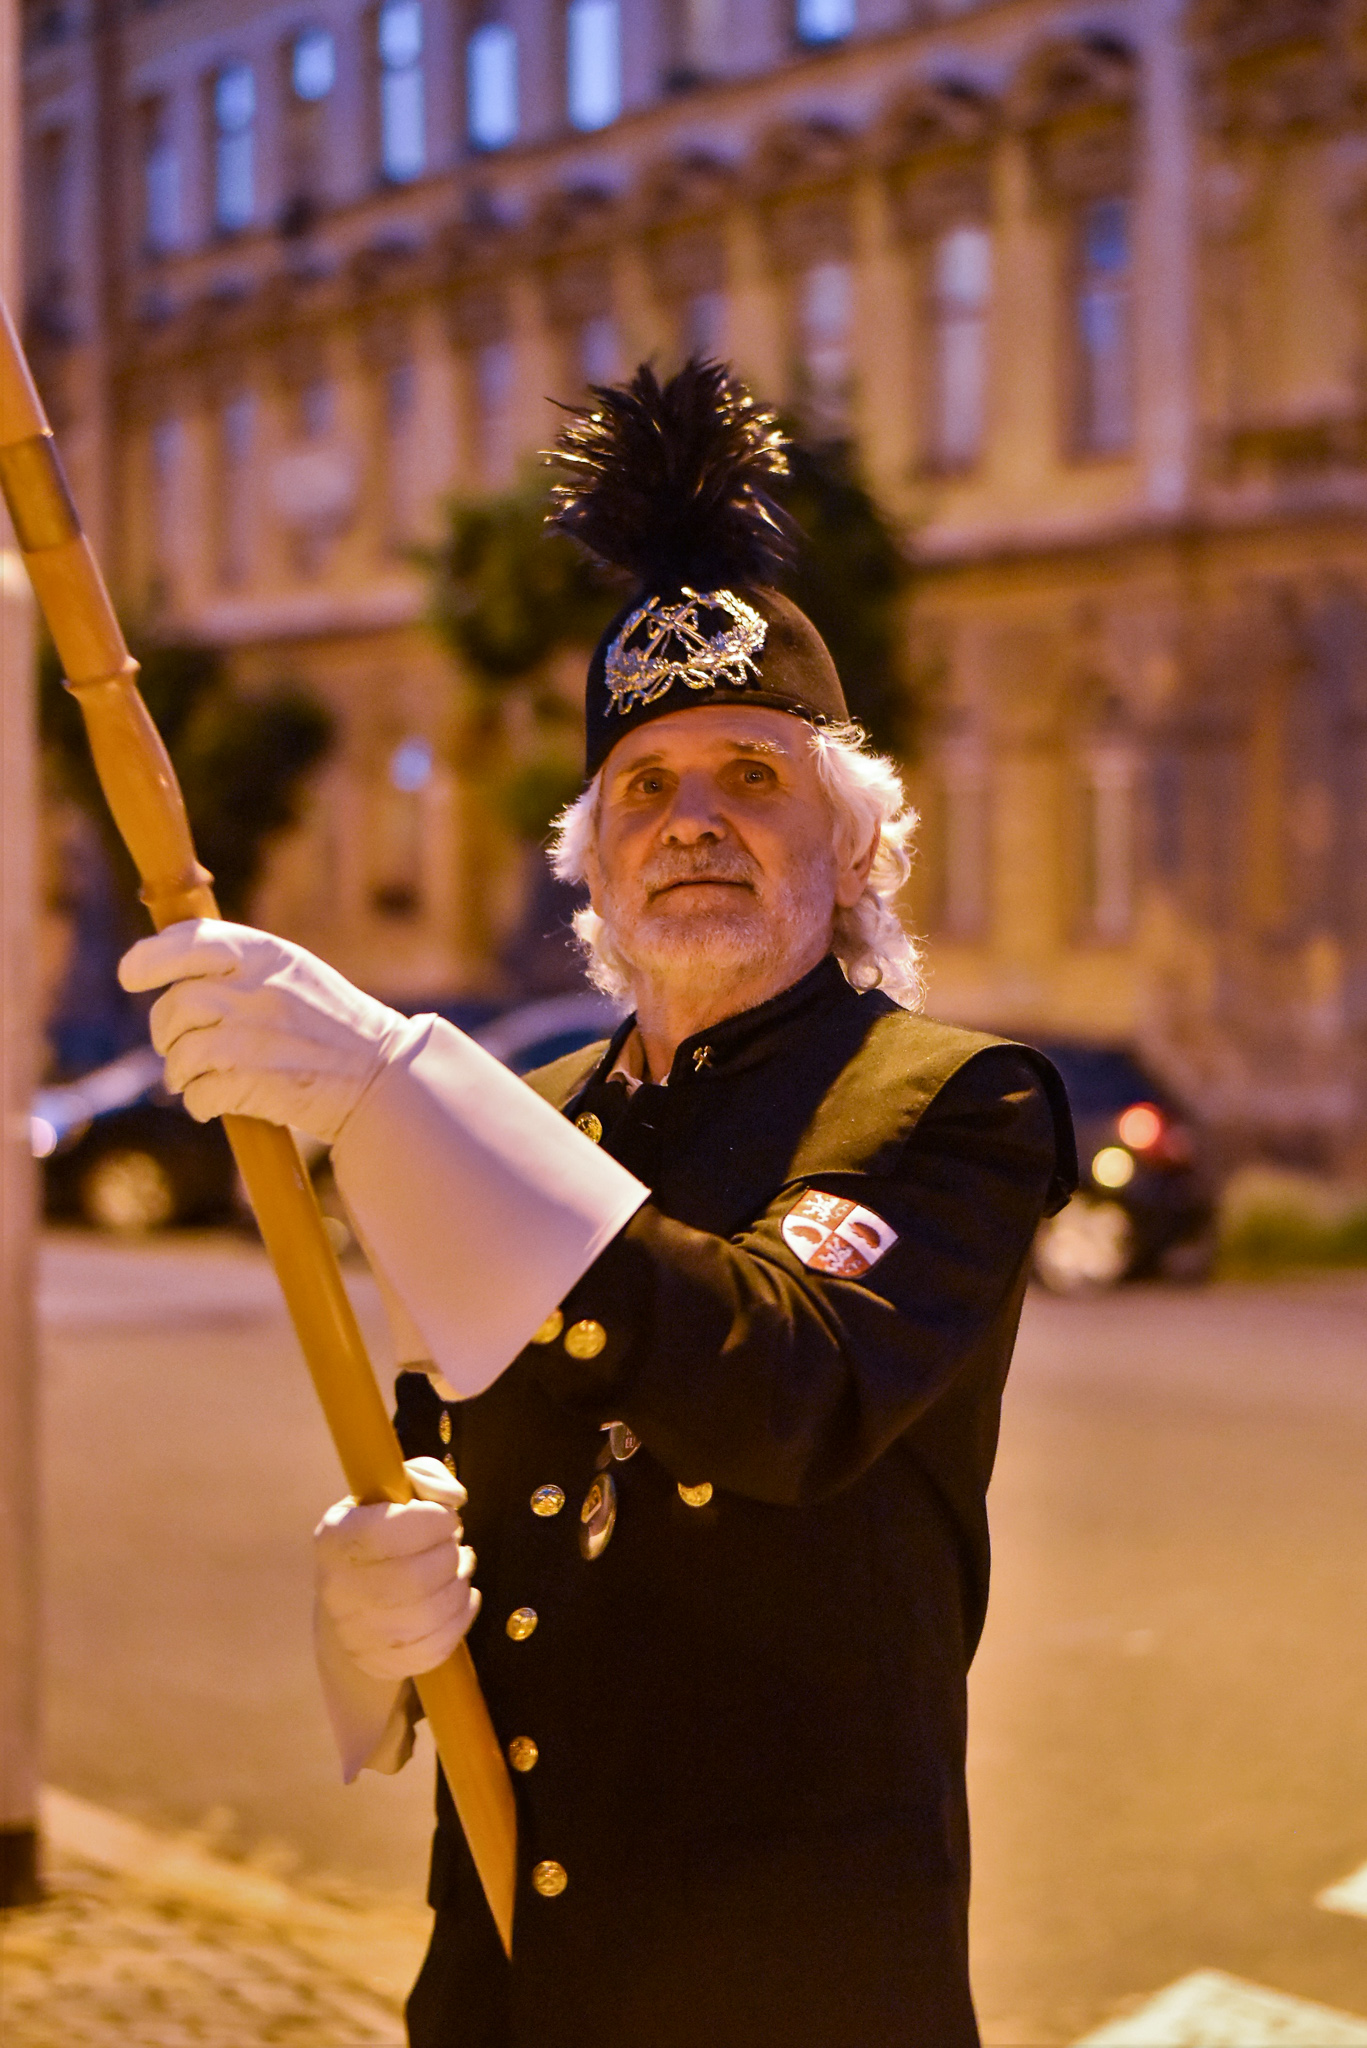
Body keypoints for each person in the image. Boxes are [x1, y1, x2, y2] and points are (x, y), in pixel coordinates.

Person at [120, 361, 1076, 2048]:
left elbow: (786, 1386)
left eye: (752, 777)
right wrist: (377, 1603)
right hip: (508, 1971)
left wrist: (395, 1083)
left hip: (798, 1991)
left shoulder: (952, 1102)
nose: (691, 821)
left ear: (856, 847)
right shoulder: (535, 1114)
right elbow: (446, 1446)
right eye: (644, 787)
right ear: (595, 861)